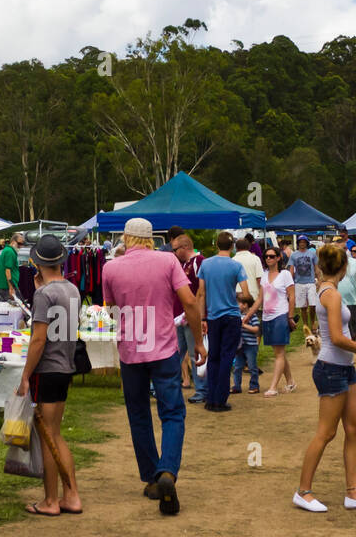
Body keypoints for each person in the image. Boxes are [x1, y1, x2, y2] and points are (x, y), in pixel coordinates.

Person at [102, 217, 202, 516]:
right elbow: (190, 303)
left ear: (126, 238)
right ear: (151, 239)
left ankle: (151, 477)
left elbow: (110, 310)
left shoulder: (110, 267)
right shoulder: (168, 262)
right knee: (172, 412)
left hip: (131, 351)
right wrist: (198, 341)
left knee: (138, 414)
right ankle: (167, 470)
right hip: (164, 348)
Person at [293, 242, 356, 512]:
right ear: (344, 267)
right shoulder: (332, 294)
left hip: (342, 367)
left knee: (355, 429)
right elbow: (339, 337)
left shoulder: (327, 290)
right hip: (331, 367)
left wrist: (354, 353)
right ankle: (303, 491)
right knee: (326, 432)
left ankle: (353, 492)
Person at [17, 235, 82, 516]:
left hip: (47, 368)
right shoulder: (72, 289)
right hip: (65, 365)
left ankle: (50, 500)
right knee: (56, 435)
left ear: (37, 262)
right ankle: (71, 495)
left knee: (47, 437)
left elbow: (38, 339)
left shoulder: (44, 295)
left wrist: (25, 375)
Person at [197, 232, 255, 412]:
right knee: (227, 357)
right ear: (232, 247)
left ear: (217, 245)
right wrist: (236, 295)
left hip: (212, 316)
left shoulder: (206, 264)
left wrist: (202, 318)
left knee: (213, 356)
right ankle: (220, 400)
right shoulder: (236, 266)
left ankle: (210, 397)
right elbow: (245, 293)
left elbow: (201, 293)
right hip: (231, 315)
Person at [169, 232, 205, 401]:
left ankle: (201, 389)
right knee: (176, 352)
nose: (174, 253)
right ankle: (169, 385)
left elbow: (200, 289)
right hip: (180, 316)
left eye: (176, 249)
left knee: (194, 353)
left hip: (190, 315)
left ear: (184, 248)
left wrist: (198, 314)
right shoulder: (184, 265)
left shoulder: (198, 261)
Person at [258, 246, 297, 395]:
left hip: (281, 315)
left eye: (272, 256)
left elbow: (292, 296)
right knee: (278, 352)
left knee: (279, 353)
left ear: (279, 258)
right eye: (266, 256)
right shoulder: (264, 275)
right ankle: (290, 381)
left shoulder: (285, 274)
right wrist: (248, 315)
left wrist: (290, 316)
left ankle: (273, 387)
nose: (268, 259)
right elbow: (260, 299)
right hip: (267, 316)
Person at [288, 235, 319, 346]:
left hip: (310, 282)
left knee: (313, 304)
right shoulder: (294, 255)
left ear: (307, 243)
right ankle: (305, 325)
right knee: (303, 306)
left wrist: (319, 279)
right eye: (300, 242)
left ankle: (313, 322)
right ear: (298, 243)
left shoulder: (312, 254)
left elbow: (316, 267)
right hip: (299, 283)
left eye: (304, 242)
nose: (302, 243)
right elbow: (291, 269)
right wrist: (290, 282)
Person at [0, 233, 24, 304]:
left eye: (22, 244)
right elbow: (7, 271)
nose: (21, 246)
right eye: (19, 243)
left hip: (7, 286)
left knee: (7, 308)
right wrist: (11, 288)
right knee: (11, 309)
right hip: (7, 286)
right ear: (13, 241)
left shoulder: (8, 250)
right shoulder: (9, 252)